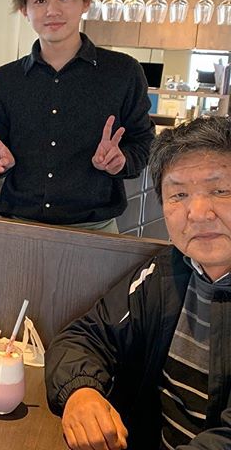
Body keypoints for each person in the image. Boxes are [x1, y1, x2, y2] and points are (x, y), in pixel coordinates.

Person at [45, 115, 231, 450]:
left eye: (220, 190)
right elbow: (85, 335)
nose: (198, 212)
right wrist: (81, 391)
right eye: (179, 194)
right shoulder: (166, 274)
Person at [0, 0, 154, 232]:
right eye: (40, 0)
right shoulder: (7, 78)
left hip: (95, 228)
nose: (52, 11)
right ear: (24, 9)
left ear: (86, 2)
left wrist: (121, 160)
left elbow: (143, 141)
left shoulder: (123, 72)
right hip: (17, 226)